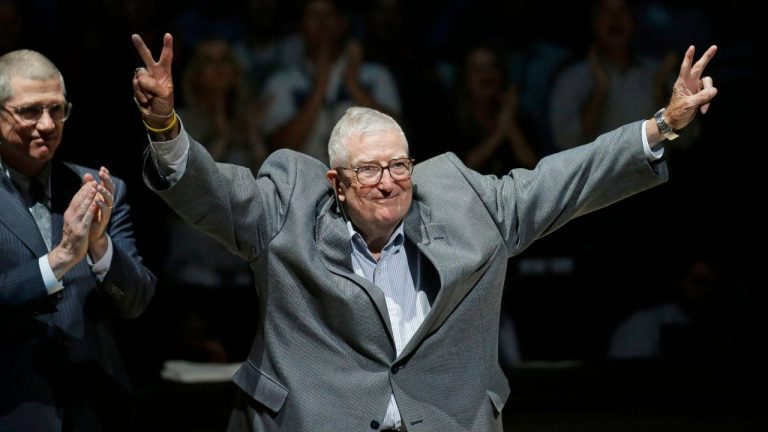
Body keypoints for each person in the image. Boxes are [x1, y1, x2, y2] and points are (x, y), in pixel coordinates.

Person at [132, 32, 717, 432]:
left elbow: (563, 179)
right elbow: (210, 193)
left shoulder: (469, 205)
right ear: (336, 182)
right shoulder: (287, 208)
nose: (389, 182)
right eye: (369, 171)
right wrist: (164, 124)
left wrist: (661, 125)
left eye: (399, 166)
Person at [0, 49, 157, 431]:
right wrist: (63, 257)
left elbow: (136, 301)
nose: (48, 124)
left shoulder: (101, 189)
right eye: (30, 111)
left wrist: (101, 247)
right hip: (13, 406)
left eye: (57, 109)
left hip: (97, 409)